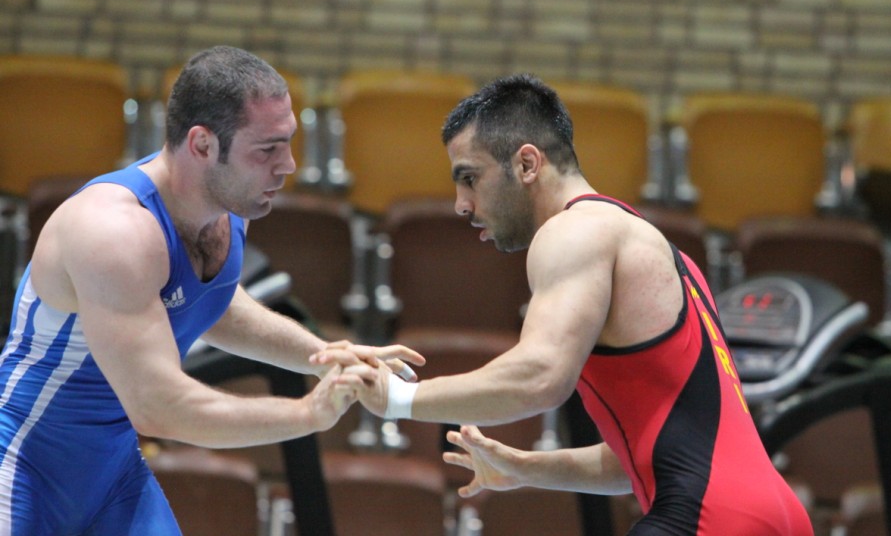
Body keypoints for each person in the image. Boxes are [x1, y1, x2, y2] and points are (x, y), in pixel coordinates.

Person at [317, 74, 814, 534]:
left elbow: (541, 375)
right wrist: (523, 467)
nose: (461, 204)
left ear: (527, 164)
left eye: (470, 178)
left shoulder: (573, 232)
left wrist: (399, 398)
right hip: (774, 514)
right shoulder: (654, 247)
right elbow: (641, 458)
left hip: (709, 516)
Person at [0, 46, 421, 535]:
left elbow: (214, 303)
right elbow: (158, 407)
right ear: (202, 144)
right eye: (266, 150)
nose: (287, 165)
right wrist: (307, 412)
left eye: (288, 143)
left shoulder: (226, 208)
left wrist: (326, 355)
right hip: (23, 471)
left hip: (112, 478)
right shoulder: (114, 233)